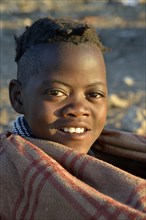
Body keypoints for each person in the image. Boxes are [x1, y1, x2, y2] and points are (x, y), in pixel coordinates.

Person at [0, 17, 146, 220]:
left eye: (94, 95)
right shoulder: (11, 174)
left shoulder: (119, 154)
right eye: (56, 92)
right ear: (18, 97)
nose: (78, 109)